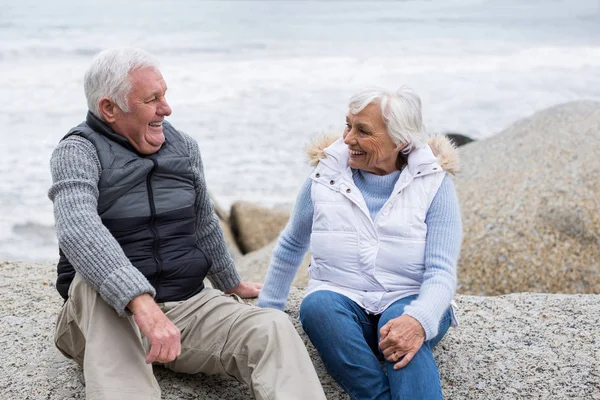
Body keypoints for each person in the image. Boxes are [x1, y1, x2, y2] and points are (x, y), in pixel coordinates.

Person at [48, 47, 326, 400]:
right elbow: (78, 228)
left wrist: (231, 282)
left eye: (164, 95)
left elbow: (204, 223)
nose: (166, 108)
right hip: (104, 318)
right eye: (152, 99)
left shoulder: (183, 147)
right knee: (92, 282)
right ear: (109, 109)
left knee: (272, 327)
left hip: (186, 309)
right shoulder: (77, 151)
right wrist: (141, 302)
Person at [257, 86, 462, 400]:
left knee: (400, 326)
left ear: (401, 140)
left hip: (410, 300)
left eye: (363, 130)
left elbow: (441, 272)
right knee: (317, 305)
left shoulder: (435, 183)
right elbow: (291, 245)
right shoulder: (325, 176)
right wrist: (267, 313)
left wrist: (417, 320)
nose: (348, 138)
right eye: (348, 125)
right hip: (343, 308)